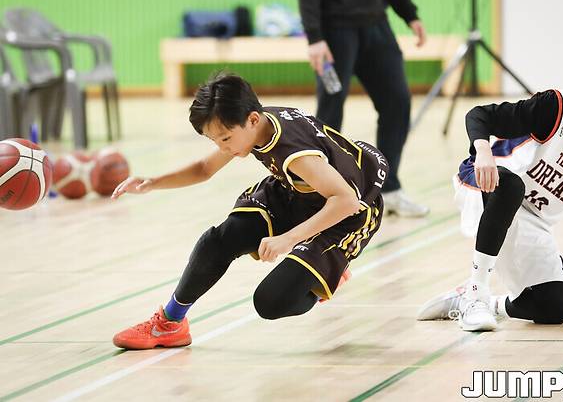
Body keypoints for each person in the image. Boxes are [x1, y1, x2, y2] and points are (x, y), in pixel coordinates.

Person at [111, 72, 388, 349]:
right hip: (297, 192)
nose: (222, 147)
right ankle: (170, 323)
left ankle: (328, 277)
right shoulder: (252, 121)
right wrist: (152, 183)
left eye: (225, 139)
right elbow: (204, 168)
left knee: (271, 302)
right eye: (215, 141)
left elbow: (346, 200)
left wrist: (288, 238)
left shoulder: (295, 152)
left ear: (253, 120)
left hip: (346, 214)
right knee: (218, 241)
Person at [416, 41, 563, 331]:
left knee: (558, 306)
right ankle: (476, 292)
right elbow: (479, 115)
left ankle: (489, 304)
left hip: (533, 218)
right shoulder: (554, 107)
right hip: (487, 183)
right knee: (512, 185)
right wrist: (482, 151)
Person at [295, 0, 429, 217]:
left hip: (376, 26)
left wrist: (410, 14)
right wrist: (314, 37)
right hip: (333, 33)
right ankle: (324, 194)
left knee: (397, 102)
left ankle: (388, 189)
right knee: (330, 113)